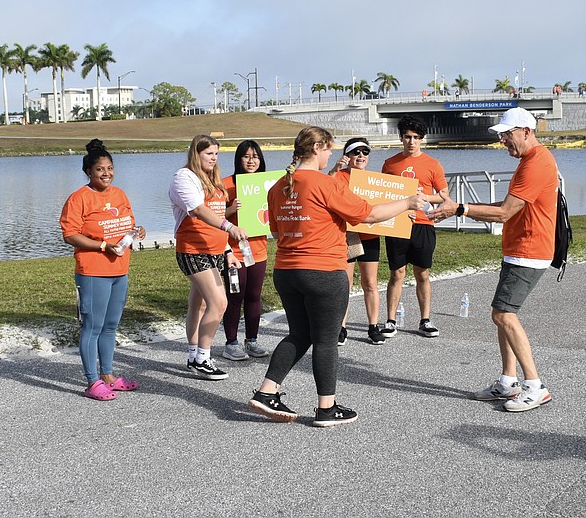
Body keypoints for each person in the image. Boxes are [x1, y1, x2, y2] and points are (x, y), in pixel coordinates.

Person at [248, 126, 425, 426]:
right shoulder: (325, 184)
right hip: (323, 271)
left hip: (287, 271)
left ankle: (267, 392)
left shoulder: (278, 186)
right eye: (329, 149)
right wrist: (407, 203)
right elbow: (367, 214)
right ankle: (327, 409)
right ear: (317, 148)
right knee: (326, 339)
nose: (331, 155)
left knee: (299, 334)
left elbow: (276, 232)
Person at [429, 107, 557, 413]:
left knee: (503, 315)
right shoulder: (530, 160)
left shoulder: (536, 163)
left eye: (508, 135)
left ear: (527, 131)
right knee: (502, 313)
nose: (503, 141)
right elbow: (507, 205)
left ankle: (536, 386)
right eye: (501, 136)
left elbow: (504, 213)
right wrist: (462, 206)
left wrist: (460, 209)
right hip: (520, 248)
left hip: (530, 249)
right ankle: (507, 381)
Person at [60, 139, 146, 401]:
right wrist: (102, 246)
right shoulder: (79, 198)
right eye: (100, 169)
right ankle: (91, 381)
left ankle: (108, 376)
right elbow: (70, 234)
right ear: (88, 172)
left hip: (120, 270)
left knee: (110, 326)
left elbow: (127, 223)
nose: (106, 173)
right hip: (93, 272)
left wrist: (138, 231)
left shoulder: (119, 194)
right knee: (93, 326)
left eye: (110, 168)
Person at [169, 134, 247, 381]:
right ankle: (203, 358)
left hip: (214, 250)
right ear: (196, 153)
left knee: (200, 304)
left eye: (216, 153)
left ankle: (193, 356)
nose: (213, 158)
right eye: (208, 154)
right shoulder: (184, 178)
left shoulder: (213, 180)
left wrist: (227, 250)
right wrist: (229, 227)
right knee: (219, 303)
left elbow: (213, 213)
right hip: (193, 250)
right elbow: (200, 211)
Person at [380, 116, 449, 338]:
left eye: (417, 138)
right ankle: (390, 321)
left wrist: (424, 197)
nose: (412, 142)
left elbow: (444, 197)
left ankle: (425, 320)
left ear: (422, 140)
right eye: (408, 137)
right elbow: (383, 193)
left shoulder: (433, 164)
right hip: (397, 224)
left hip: (423, 224)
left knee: (423, 273)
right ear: (401, 138)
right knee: (397, 273)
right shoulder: (390, 163)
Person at [327, 137, 386, 346]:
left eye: (365, 153)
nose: (360, 156)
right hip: (348, 235)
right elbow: (326, 189)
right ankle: (341, 327)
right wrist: (335, 168)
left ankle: (373, 326)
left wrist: (408, 212)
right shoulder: (339, 176)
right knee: (345, 284)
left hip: (370, 234)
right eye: (355, 152)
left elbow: (389, 204)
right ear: (347, 156)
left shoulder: (375, 180)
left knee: (370, 282)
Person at [220, 140, 271, 361]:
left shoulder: (266, 184)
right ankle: (231, 343)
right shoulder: (225, 184)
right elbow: (213, 218)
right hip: (233, 252)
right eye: (246, 156)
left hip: (258, 250)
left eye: (255, 157)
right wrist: (231, 208)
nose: (251, 161)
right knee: (235, 296)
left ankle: (252, 340)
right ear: (238, 159)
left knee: (254, 296)